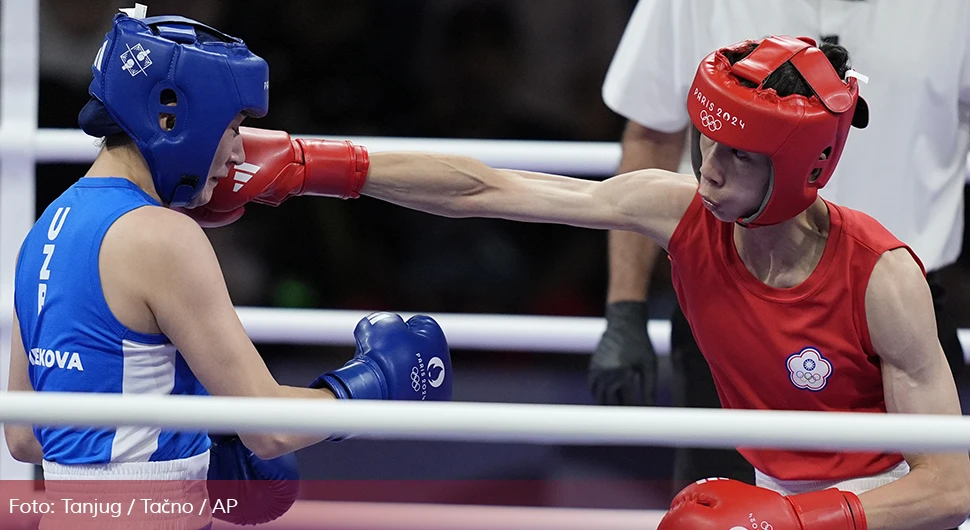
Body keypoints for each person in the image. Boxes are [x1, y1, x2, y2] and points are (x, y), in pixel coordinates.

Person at [187, 35, 970, 529]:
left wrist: (800, 522)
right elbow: (486, 188)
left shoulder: (881, 278)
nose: (709, 171)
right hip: (779, 498)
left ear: (805, 168)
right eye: (707, 144)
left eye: (741, 157)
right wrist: (315, 164)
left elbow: (948, 487)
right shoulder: (680, 212)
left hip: (884, 509)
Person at [4, 8, 452, 529]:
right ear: (170, 117)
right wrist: (377, 382)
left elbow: (25, 435)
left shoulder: (44, 230)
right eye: (233, 126)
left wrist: (186, 429)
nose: (239, 150)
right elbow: (269, 428)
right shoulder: (160, 236)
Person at [590, 0, 970, 493]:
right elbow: (651, 132)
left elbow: (947, 494)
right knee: (715, 513)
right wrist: (625, 307)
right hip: (727, 301)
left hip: (901, 307)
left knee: (923, 498)